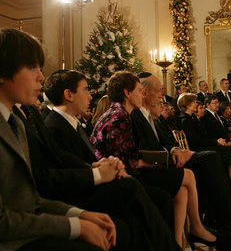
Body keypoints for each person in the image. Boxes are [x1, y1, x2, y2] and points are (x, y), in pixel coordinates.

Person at [0, 28, 116, 251]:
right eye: (32, 67)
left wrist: (80, 215)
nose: (41, 77)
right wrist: (75, 226)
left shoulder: (14, 122)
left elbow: (29, 199)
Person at [12, 103, 179, 251]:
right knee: (132, 192)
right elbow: (40, 175)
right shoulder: (115, 116)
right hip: (50, 197)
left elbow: (58, 154)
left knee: (135, 215)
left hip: (58, 189)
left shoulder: (29, 112)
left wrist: (96, 166)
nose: (89, 96)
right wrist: (98, 173)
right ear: (69, 95)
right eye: (85, 89)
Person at [132, 73, 231, 239]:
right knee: (210, 159)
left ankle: (220, 219)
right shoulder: (138, 116)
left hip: (173, 157)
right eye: (159, 91)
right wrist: (174, 153)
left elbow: (167, 142)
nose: (162, 95)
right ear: (144, 92)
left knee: (212, 161)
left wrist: (175, 150)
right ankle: (224, 220)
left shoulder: (151, 117)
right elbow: (144, 152)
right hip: (161, 165)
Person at [179, 94, 231, 194]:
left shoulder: (191, 118)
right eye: (194, 102)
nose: (196, 104)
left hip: (203, 145)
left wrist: (218, 141)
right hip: (197, 149)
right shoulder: (185, 120)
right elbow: (198, 140)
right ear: (188, 105)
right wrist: (216, 141)